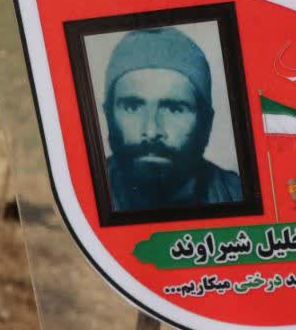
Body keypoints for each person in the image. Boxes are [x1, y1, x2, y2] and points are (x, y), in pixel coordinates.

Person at [102, 26, 242, 212]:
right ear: (108, 115)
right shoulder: (80, 192)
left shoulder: (239, 194)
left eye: (174, 109)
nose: (151, 131)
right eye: (132, 107)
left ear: (206, 123)